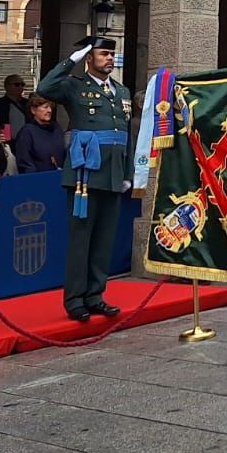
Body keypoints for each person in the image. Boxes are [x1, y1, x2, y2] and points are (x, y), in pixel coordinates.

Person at [36, 35, 132, 322]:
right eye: (103, 54)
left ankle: (95, 295)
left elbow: (125, 136)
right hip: (85, 175)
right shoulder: (75, 87)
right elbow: (45, 87)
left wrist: (127, 173)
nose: (108, 59)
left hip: (114, 174)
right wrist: (72, 60)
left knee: (104, 239)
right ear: (90, 58)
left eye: (110, 55)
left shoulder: (122, 91)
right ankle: (75, 299)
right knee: (81, 240)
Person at [13, 93, 64, 173]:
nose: (49, 110)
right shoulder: (27, 132)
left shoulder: (56, 129)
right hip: (38, 178)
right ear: (33, 110)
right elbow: (25, 161)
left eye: (50, 107)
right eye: (45, 107)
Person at [0, 74, 30, 140]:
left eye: (22, 84)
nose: (20, 87)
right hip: (6, 140)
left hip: (26, 140)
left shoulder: (28, 103)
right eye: (17, 84)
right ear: (6, 86)